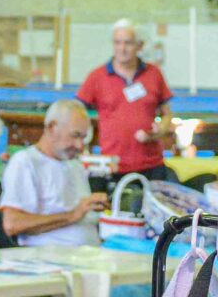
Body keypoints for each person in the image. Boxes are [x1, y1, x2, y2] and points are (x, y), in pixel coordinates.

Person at [75, 19, 175, 182]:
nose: (122, 48)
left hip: (152, 165)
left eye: (128, 43)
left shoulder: (154, 73)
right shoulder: (97, 77)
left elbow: (167, 114)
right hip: (113, 166)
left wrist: (160, 130)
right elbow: (76, 110)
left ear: (139, 46)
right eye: (117, 42)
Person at [0, 99, 104, 245]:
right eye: (75, 136)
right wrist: (72, 215)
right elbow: (12, 224)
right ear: (51, 128)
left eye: (83, 138)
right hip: (47, 260)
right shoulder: (26, 162)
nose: (80, 145)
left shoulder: (74, 165)